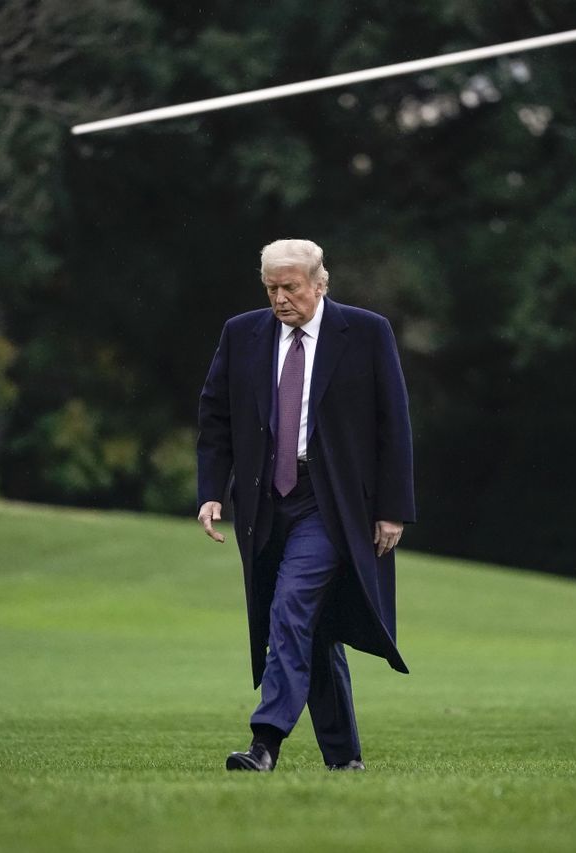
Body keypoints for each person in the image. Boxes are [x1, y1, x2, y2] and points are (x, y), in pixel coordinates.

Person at [196, 238, 415, 772]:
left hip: (332, 502)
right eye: (271, 288)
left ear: (320, 284)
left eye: (290, 287)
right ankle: (345, 759)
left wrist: (393, 508)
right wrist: (209, 491)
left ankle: (264, 741)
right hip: (265, 503)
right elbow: (216, 418)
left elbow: (394, 423)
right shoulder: (241, 333)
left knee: (290, 608)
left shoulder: (366, 332)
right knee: (312, 630)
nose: (279, 299)